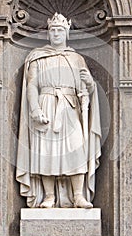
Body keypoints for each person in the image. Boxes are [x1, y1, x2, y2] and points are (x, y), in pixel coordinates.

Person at [16, 13, 101, 208]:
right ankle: (48, 196)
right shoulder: (37, 57)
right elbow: (32, 85)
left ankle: (78, 196)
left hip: (70, 108)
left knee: (76, 148)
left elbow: (85, 88)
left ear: (67, 32)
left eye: (60, 30)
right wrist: (35, 108)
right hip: (46, 105)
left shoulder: (76, 58)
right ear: (48, 33)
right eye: (53, 30)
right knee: (47, 151)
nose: (56, 34)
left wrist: (90, 84)